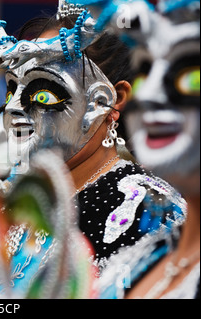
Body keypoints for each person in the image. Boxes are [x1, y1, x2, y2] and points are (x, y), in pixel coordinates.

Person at [0, 0, 186, 272]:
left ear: (106, 101)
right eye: (12, 89)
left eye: (42, 93)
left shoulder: (147, 211)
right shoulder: (14, 194)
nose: (12, 108)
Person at [92, 0, 200, 299]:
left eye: (190, 76)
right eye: (146, 71)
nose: (150, 95)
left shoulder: (144, 213)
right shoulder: (143, 256)